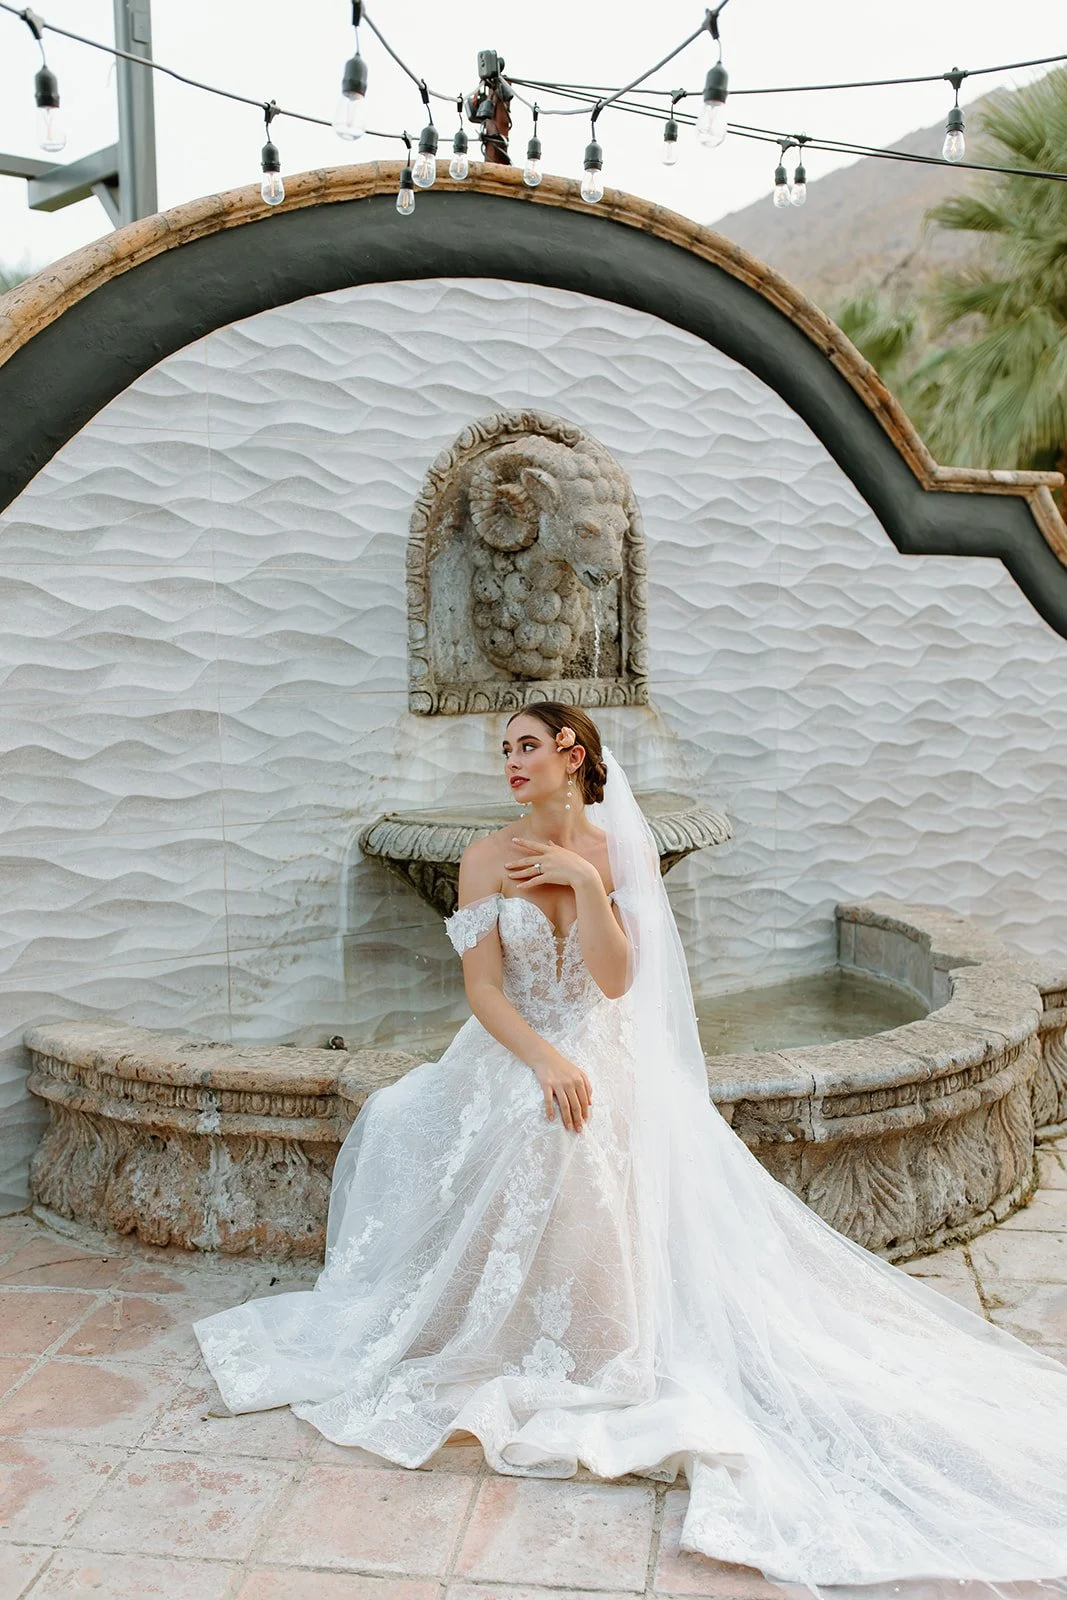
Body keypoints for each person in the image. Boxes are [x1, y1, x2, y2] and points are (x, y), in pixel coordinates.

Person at [194, 702, 1067, 1594]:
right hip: (517, 1047)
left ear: (572, 755)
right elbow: (484, 991)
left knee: (588, 1129)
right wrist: (542, 1061)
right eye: (504, 750)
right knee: (539, 1119)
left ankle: (604, 1340)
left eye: (527, 746)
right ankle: (528, 1337)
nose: (511, 762)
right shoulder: (484, 858)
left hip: (603, 1043)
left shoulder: (618, 853)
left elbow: (615, 980)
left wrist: (580, 878)